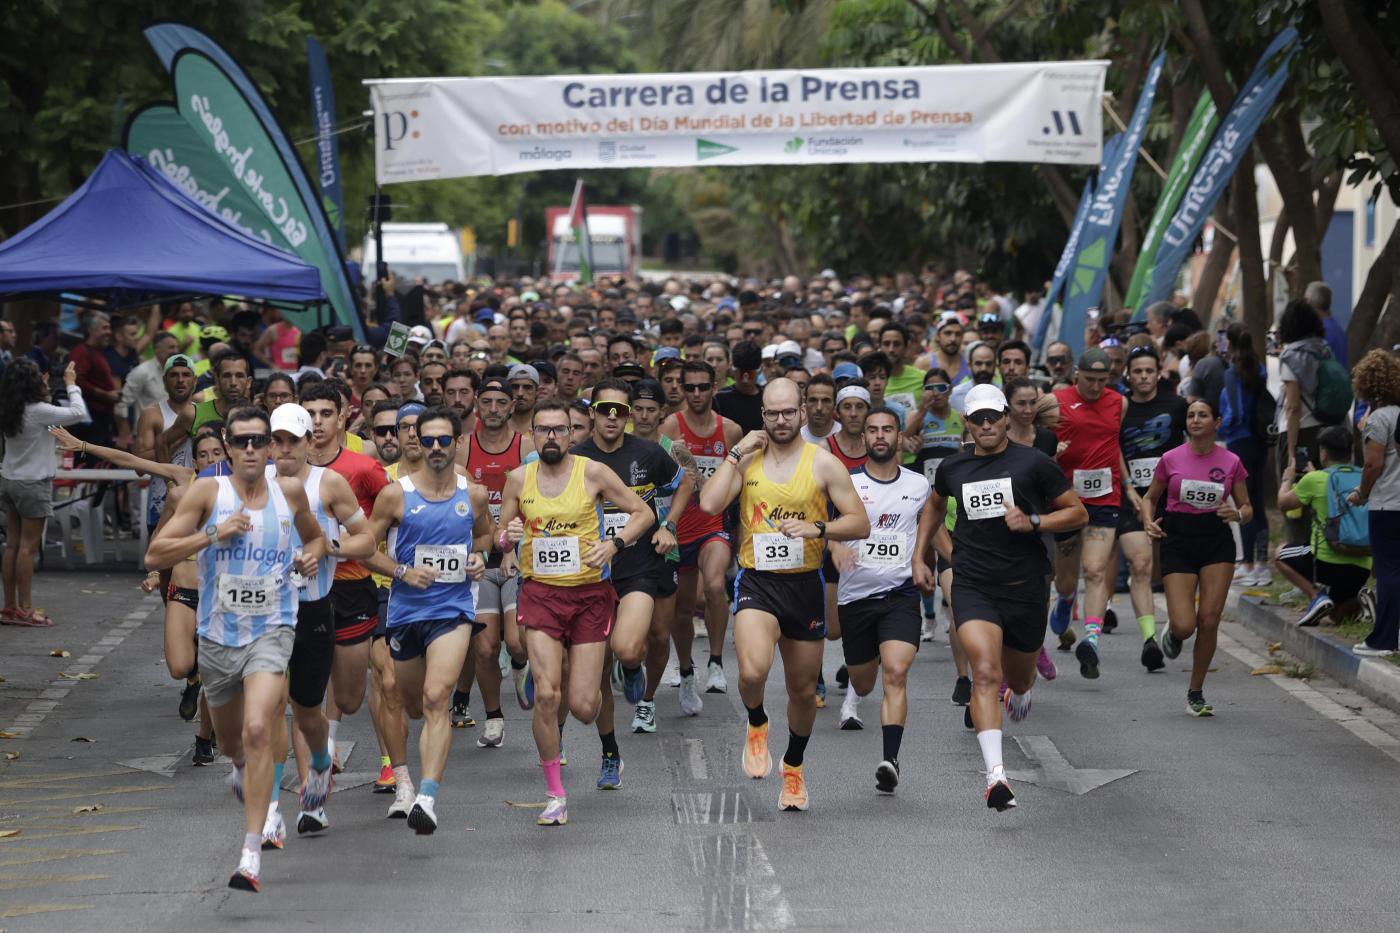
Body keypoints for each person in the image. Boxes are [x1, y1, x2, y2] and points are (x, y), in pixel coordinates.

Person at [145, 406, 327, 892]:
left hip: (273, 630)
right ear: (227, 445)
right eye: (241, 441)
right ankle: (243, 770)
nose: (251, 449)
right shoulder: (208, 492)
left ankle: (251, 851)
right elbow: (154, 554)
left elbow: (317, 539)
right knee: (232, 745)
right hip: (218, 639)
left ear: (269, 447)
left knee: (257, 726)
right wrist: (211, 535)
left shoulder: (288, 492)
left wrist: (311, 557)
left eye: (259, 441)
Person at [698, 378, 870, 812]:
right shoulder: (748, 460)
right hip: (758, 581)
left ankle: (793, 767)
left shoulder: (823, 463)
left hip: (804, 584)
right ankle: (756, 722)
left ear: (801, 413)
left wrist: (819, 528)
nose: (780, 420)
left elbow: (859, 523)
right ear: (763, 417)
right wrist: (736, 454)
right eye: (771, 413)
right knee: (753, 672)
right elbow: (709, 503)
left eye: (787, 412)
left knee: (801, 691)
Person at [913, 384, 1086, 810]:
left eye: (993, 416)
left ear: (1007, 417)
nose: (986, 425)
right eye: (977, 419)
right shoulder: (953, 468)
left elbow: (1078, 512)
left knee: (1020, 678)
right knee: (986, 673)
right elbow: (933, 507)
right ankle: (996, 778)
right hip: (974, 583)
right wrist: (922, 556)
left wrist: (1035, 520)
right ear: (967, 424)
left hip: (1025, 586)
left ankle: (1023, 692)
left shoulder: (1034, 463)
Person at [498, 400, 653, 827]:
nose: (551, 437)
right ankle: (555, 794)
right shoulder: (517, 479)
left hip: (588, 596)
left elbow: (643, 513)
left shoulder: (594, 473)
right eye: (543, 430)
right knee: (548, 696)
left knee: (583, 707)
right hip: (541, 596)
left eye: (559, 430)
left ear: (572, 435)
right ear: (531, 435)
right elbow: (501, 535)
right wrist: (506, 538)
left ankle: (609, 677)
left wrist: (615, 543)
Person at [367, 406, 493, 833]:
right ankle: (401, 778)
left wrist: (481, 558)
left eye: (445, 440)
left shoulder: (471, 493)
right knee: (406, 702)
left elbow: (486, 534)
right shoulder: (395, 495)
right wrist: (402, 572)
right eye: (428, 440)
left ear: (457, 443)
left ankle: (425, 796)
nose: (436, 448)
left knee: (438, 697)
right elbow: (366, 547)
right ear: (417, 442)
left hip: (452, 609)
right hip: (405, 611)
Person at [262, 404, 376, 842]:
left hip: (313, 609)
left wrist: (327, 546)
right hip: (266, 612)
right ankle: (272, 808)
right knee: (272, 706)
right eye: (278, 440)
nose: (285, 449)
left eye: (294, 440)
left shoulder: (328, 483)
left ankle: (319, 773)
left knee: (310, 710)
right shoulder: (253, 484)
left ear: (311, 442)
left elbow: (366, 539)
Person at [572, 378, 691, 785]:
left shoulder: (648, 453)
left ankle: (634, 665)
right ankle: (610, 753)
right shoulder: (575, 460)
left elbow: (685, 482)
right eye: (604, 409)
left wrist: (669, 524)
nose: (612, 417)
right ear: (591, 411)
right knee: (599, 670)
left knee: (625, 648)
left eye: (620, 411)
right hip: (590, 576)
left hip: (639, 566)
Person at [828, 407, 928, 793]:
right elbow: (822, 523)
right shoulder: (846, 483)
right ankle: (856, 687)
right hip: (855, 598)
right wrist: (834, 546)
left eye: (888, 429)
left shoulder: (919, 485)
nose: (880, 436)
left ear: (900, 436)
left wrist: (932, 563)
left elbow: (931, 528)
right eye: (873, 430)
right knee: (864, 681)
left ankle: (890, 758)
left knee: (897, 672)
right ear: (864, 438)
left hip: (900, 594)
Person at [1141, 399, 1251, 716]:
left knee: (1209, 619)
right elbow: (1151, 498)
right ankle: (1174, 632)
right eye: (1191, 415)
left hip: (1217, 540)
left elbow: (1247, 507)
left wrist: (1238, 514)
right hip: (1178, 540)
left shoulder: (1231, 462)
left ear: (1217, 422)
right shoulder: (1170, 459)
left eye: (1203, 415)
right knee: (1186, 624)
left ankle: (1196, 691)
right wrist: (1148, 521)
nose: (1196, 419)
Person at [301, 381, 390, 769]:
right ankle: (314, 782)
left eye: (325, 414)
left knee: (350, 695)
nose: (317, 423)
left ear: (342, 418)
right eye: (310, 415)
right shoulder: (280, 469)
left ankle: (328, 735)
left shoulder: (362, 468)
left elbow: (389, 516)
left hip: (352, 585)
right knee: (303, 693)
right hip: (300, 590)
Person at [661, 360, 742, 703]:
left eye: (702, 387)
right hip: (680, 528)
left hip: (714, 525)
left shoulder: (731, 431)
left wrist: (739, 531)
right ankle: (685, 667)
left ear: (715, 387)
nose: (695, 394)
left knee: (713, 585)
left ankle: (716, 662)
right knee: (681, 608)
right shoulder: (670, 426)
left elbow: (736, 486)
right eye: (689, 387)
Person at [463, 378, 536, 729]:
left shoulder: (526, 448)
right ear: (477, 404)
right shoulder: (462, 448)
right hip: (478, 557)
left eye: (501, 402)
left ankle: (521, 667)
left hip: (516, 556)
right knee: (486, 647)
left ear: (512, 406)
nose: (493, 409)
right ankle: (494, 716)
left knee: (517, 642)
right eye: (487, 401)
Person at [1049, 348, 1126, 678]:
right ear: (1076, 374)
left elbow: (1116, 444)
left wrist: (1132, 490)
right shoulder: (1056, 399)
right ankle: (1066, 601)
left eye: (1101, 380)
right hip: (1067, 498)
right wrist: (1053, 453)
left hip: (1105, 497)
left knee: (1095, 569)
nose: (1095, 387)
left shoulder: (1119, 403)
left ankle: (1091, 641)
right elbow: (1039, 440)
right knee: (1066, 580)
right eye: (1089, 379)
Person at [0, 361, 88, 626]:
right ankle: (27, 610)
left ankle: (10, 607)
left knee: (13, 545)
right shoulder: (38, 411)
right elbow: (77, 412)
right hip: (33, 484)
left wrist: (44, 386)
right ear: (32, 382)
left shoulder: (9, 409)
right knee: (28, 547)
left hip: (9, 479)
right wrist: (71, 383)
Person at [1117, 345, 1186, 672]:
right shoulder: (1120, 407)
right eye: (1137, 371)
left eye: (1149, 371)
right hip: (1132, 497)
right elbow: (1111, 446)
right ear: (1128, 374)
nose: (1143, 377)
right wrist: (1127, 483)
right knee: (1141, 565)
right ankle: (1148, 639)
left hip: (1172, 498)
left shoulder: (1177, 404)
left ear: (1158, 371)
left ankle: (1176, 624)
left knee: (1172, 569)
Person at [1275, 426, 1372, 626]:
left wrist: (1287, 479)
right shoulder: (1365, 477)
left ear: (1323, 452)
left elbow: (1283, 503)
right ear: (1351, 452)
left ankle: (1316, 596)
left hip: (1325, 564)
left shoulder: (1315, 479)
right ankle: (1364, 596)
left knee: (1279, 554)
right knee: (1339, 617)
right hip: (1362, 565)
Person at [1347, 349, 1400, 656]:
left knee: (1388, 570)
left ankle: (1383, 639)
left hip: (1387, 504)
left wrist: (1361, 493)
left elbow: (1372, 465)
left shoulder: (1378, 419)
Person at [1219, 323, 1272, 586]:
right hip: (1260, 441)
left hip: (1239, 441)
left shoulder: (1232, 372)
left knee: (1243, 503)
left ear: (1229, 342)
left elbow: (1236, 412)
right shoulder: (1258, 368)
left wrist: (1223, 427)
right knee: (1258, 502)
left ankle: (1248, 564)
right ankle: (1262, 564)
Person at [905, 369, 962, 486]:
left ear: (950, 390)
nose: (935, 393)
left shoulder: (961, 417)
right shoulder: (916, 416)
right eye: (930, 389)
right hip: (924, 478)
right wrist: (921, 412)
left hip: (954, 476)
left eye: (941, 388)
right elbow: (902, 442)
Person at [828, 384, 870, 469]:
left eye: (860, 407)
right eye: (847, 407)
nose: (853, 414)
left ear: (869, 411)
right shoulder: (825, 448)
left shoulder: (878, 446)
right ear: (837, 413)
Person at [799, 373, 838, 443]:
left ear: (835, 405)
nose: (819, 407)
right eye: (813, 400)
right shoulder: (796, 439)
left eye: (826, 401)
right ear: (805, 403)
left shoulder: (845, 437)